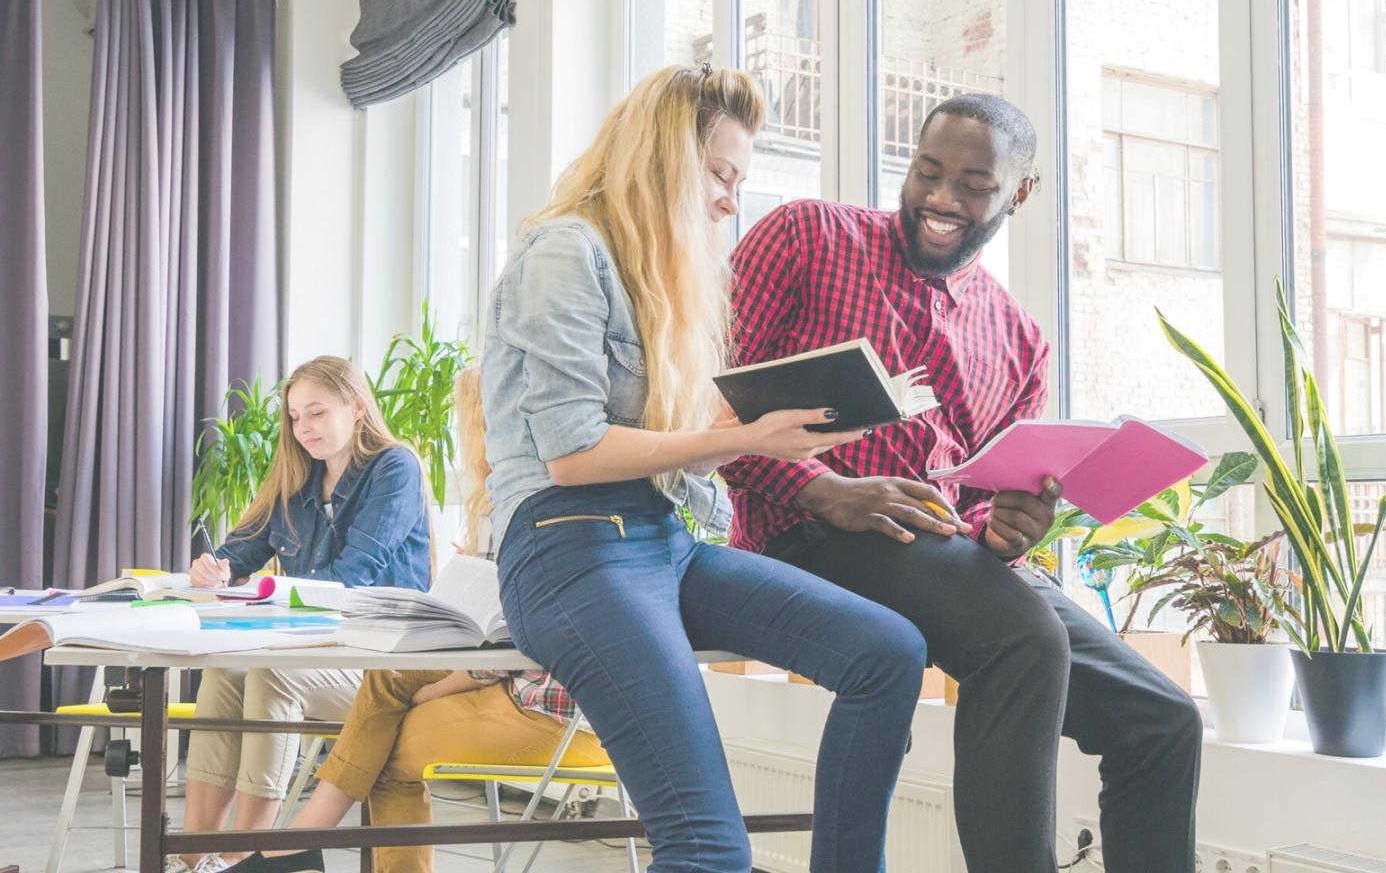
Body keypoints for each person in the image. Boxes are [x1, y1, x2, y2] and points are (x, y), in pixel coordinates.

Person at [720, 94, 1203, 873]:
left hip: (941, 558)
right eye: (927, 172)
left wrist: (1012, 526)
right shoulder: (807, 237)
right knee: (1023, 639)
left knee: (1164, 719)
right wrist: (825, 489)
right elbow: (703, 409)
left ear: (1019, 193)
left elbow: (977, 510)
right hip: (802, 537)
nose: (940, 200)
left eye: (973, 185)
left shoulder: (1020, 340)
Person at [484, 64, 927, 873]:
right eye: (720, 174)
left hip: (658, 544)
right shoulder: (563, 253)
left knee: (888, 653)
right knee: (709, 850)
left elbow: (664, 457)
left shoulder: (663, 284)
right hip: (567, 547)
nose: (731, 199)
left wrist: (745, 429)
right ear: (661, 159)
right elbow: (574, 452)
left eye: (738, 180)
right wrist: (740, 440)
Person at [224, 367, 606, 873]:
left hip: (548, 704)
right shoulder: (512, 502)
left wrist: (443, 685)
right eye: (295, 417)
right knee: (385, 691)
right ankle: (288, 843)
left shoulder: (521, 503)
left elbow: (523, 640)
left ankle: (295, 841)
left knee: (383, 755)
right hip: (511, 676)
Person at [173, 356, 435, 873]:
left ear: (356, 407)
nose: (303, 428)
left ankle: (241, 857)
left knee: (274, 675)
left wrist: (269, 594)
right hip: (314, 651)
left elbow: (354, 574)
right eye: (294, 417)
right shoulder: (296, 478)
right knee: (223, 672)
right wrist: (212, 569)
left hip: (382, 664)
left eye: (316, 412)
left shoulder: (394, 468)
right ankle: (191, 855)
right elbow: (237, 553)